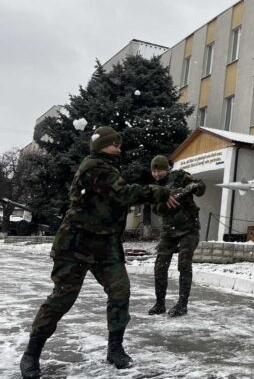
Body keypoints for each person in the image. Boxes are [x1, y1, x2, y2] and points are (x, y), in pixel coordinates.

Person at [20, 127, 178, 378]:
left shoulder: (109, 167)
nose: (119, 148)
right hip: (76, 243)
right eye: (114, 144)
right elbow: (123, 193)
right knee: (62, 299)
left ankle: (115, 349)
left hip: (105, 245)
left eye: (119, 144)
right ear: (100, 145)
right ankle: (32, 352)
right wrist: (157, 191)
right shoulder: (94, 166)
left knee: (120, 291)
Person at [148, 155, 206, 317]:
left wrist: (189, 188)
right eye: (154, 171)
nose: (157, 174)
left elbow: (201, 187)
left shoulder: (180, 177)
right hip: (169, 231)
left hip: (189, 229)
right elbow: (156, 210)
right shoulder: (155, 188)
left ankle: (182, 304)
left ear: (167, 169)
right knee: (160, 266)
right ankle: (160, 303)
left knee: (184, 264)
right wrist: (165, 201)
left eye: (159, 170)